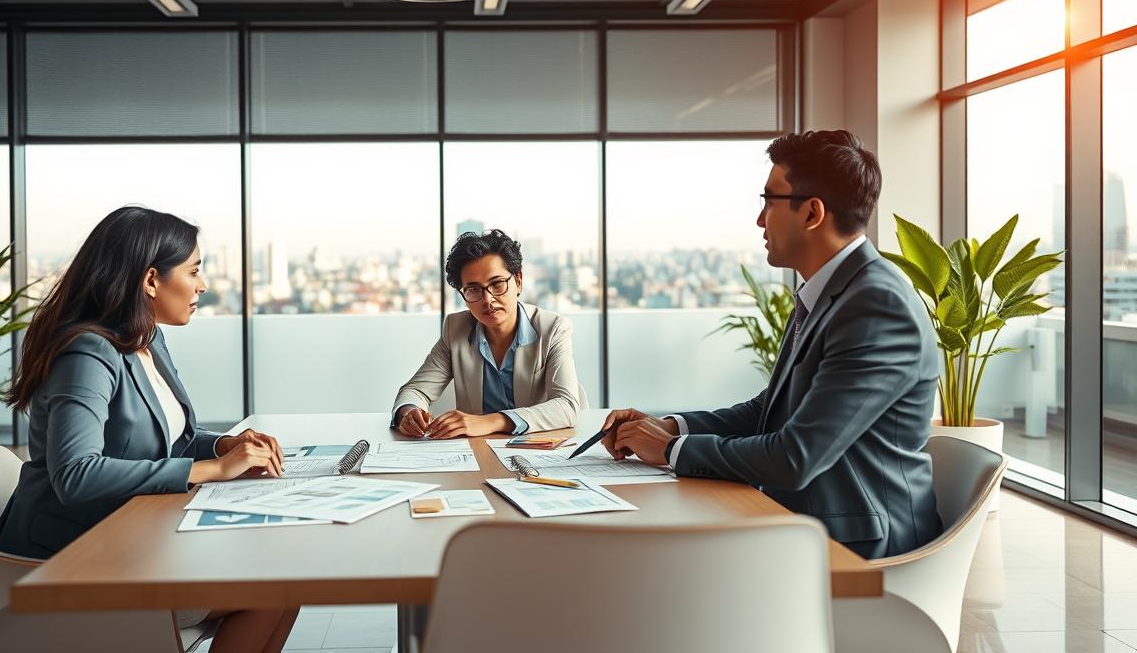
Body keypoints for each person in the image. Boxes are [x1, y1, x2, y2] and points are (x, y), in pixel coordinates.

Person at [604, 130, 944, 559]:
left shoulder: (877, 305)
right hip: (808, 522)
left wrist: (671, 451)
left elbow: (795, 456)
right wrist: (670, 427)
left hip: (860, 546)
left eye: (769, 201)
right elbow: (771, 411)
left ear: (812, 213)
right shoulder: (834, 290)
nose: (760, 220)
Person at [0, 206, 297, 652]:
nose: (203, 285)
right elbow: (75, 474)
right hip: (77, 556)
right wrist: (211, 471)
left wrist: (227, 446)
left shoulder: (145, 337)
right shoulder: (87, 354)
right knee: (273, 590)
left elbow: (175, 439)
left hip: (135, 538)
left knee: (288, 579)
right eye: (194, 271)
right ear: (151, 280)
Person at [392, 229, 582, 439]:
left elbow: (567, 405)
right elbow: (416, 390)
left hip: (536, 449)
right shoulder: (455, 329)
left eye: (497, 284)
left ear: (517, 281)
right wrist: (409, 412)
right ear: (463, 295)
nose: (488, 300)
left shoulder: (553, 328)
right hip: (475, 453)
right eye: (473, 289)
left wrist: (491, 421)